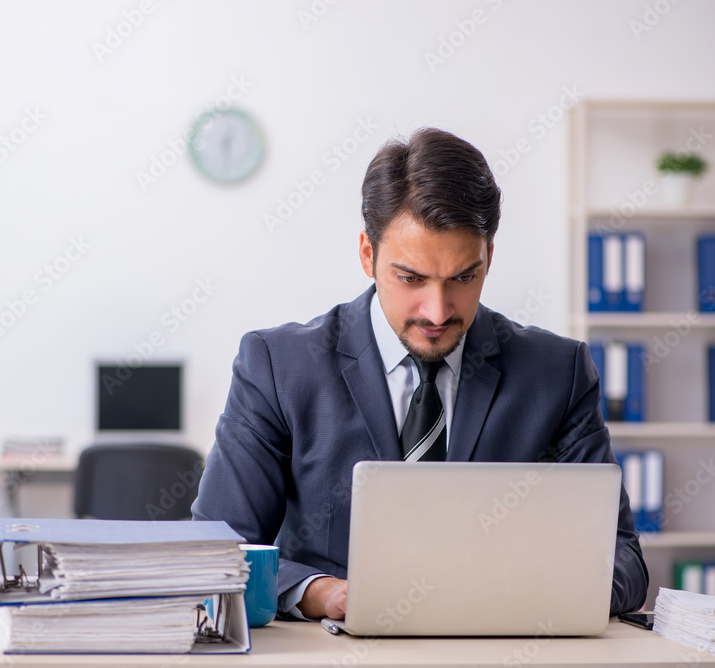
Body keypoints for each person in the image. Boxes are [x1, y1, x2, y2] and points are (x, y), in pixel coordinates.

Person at [191, 127, 649, 620]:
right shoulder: (278, 366)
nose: (436, 311)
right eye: (410, 279)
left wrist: (511, 588)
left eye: (462, 277)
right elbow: (217, 552)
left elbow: (624, 563)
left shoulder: (557, 372)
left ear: (489, 256)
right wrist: (321, 592)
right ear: (368, 254)